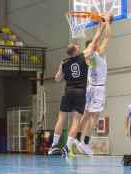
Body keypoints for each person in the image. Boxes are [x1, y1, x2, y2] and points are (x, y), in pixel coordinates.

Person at [48, 20, 106, 158]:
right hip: (80, 92)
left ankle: (53, 146)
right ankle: (67, 147)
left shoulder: (64, 62)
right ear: (75, 50)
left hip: (68, 91)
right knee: (75, 121)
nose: (78, 46)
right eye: (76, 45)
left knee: (61, 118)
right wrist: (101, 26)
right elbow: (96, 39)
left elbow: (57, 79)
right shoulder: (84, 56)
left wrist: (61, 69)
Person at [75, 14, 112, 156]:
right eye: (96, 44)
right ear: (94, 46)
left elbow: (100, 39)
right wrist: (107, 22)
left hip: (89, 87)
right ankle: (85, 142)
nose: (98, 44)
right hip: (98, 88)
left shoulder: (87, 57)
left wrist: (100, 26)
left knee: (85, 115)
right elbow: (107, 38)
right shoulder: (98, 54)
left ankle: (77, 140)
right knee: (94, 116)